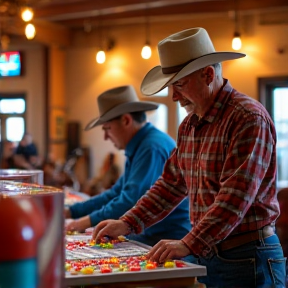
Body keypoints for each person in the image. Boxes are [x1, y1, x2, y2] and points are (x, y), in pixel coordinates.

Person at [92, 28, 287, 287]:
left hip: (248, 256)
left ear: (208, 74)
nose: (173, 96)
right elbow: (170, 185)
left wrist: (188, 242)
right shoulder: (189, 125)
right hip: (210, 253)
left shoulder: (248, 118)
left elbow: (234, 199)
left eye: (179, 85)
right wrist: (127, 223)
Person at [65, 85, 192, 246]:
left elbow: (130, 200)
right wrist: (73, 212)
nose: (105, 137)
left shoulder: (151, 147)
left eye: (107, 128)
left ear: (126, 120)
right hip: (151, 233)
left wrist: (81, 223)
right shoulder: (141, 144)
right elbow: (115, 193)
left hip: (165, 237)